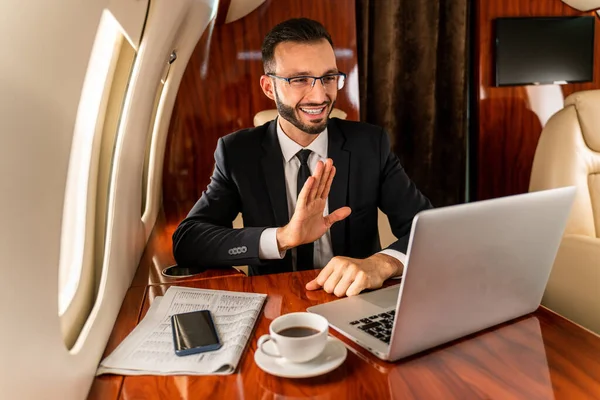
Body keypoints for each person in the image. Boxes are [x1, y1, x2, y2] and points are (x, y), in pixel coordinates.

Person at [172, 18, 432, 297]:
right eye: (300, 80)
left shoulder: (371, 144)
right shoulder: (237, 153)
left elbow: (429, 230)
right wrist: (282, 237)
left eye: (329, 78)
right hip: (277, 303)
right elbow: (188, 240)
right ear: (269, 87)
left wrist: (382, 263)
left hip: (355, 298)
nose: (319, 96)